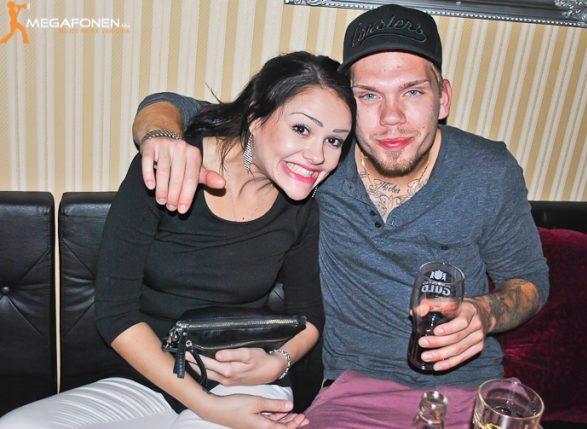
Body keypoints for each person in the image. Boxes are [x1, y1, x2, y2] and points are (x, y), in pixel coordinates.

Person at [129, 4, 549, 399]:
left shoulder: (488, 170)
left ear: (443, 99)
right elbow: (179, 107)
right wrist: (160, 137)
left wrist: (485, 312)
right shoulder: (321, 159)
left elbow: (529, 282)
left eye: (412, 92)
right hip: (354, 389)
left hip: (466, 390)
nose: (391, 117)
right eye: (369, 95)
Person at [0, 51, 355, 429]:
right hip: (150, 377)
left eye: (334, 141)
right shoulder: (172, 168)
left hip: (244, 380)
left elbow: (308, 317)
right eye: (302, 129)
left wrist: (275, 363)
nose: (318, 155)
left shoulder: (302, 207)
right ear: (255, 117)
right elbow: (115, 314)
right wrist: (206, 405)